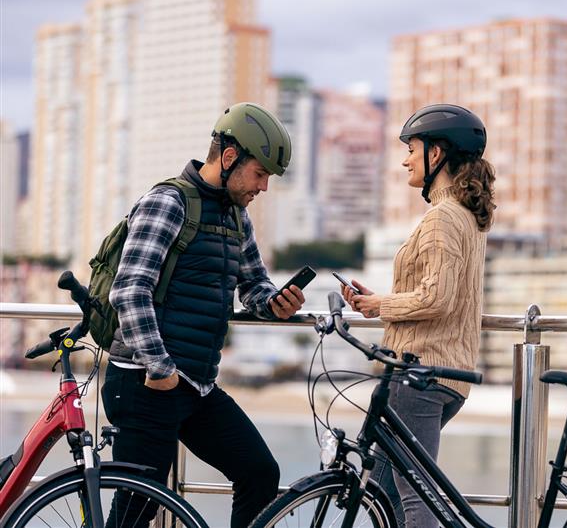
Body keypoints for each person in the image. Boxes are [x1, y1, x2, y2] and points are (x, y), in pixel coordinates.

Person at [101, 102, 305, 528]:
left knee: (259, 473)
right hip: (145, 381)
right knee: (135, 513)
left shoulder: (237, 216)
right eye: (260, 173)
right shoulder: (168, 202)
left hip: (196, 383)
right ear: (230, 158)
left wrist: (274, 303)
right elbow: (130, 289)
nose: (264, 187)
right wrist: (159, 367)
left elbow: (252, 284)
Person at [341, 104, 496, 528]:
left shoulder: (443, 216)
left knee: (415, 500)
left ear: (437, 154)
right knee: (387, 495)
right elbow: (438, 291)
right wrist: (384, 301)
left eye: (412, 148)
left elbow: (438, 299)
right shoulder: (465, 215)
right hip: (444, 372)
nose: (406, 159)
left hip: (419, 372)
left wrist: (379, 306)